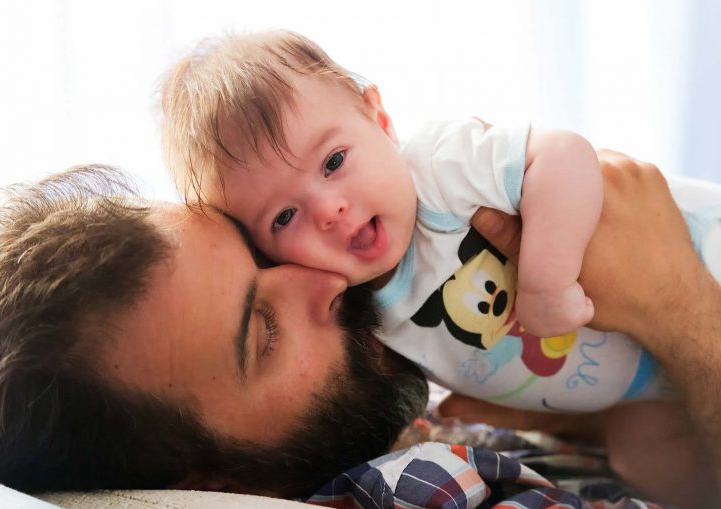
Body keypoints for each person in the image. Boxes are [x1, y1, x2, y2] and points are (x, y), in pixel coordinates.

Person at [0, 152, 719, 509]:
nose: (329, 276)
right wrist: (679, 306)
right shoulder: (422, 504)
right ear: (212, 484)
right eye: (260, 332)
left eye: (262, 252)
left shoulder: (411, 417)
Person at [160, 30, 721, 417]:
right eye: (284, 216)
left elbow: (566, 156)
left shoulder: (437, 171)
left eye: (333, 162)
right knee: (652, 463)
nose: (329, 210)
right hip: (666, 381)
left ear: (378, 119)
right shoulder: (359, 311)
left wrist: (548, 280)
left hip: (699, 255)